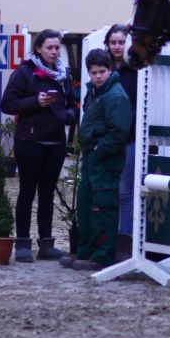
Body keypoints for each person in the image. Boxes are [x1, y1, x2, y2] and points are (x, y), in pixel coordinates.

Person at [0, 29, 77, 262]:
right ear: (38, 49)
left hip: (56, 141)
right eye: (49, 47)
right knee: (27, 192)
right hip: (30, 141)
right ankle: (23, 244)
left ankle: (46, 244)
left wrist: (67, 116)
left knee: (47, 194)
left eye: (56, 48)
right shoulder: (25, 72)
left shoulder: (64, 74)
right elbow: (7, 104)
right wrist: (36, 101)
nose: (54, 52)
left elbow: (72, 104)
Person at [63, 48, 132, 270]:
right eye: (94, 73)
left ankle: (102, 256)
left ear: (110, 70)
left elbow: (119, 133)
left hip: (106, 159)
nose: (98, 76)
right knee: (85, 205)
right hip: (92, 157)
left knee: (103, 208)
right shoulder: (95, 92)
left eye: (102, 71)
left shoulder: (116, 96)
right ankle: (85, 251)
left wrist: (99, 150)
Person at [103, 24, 137, 261]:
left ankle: (125, 244)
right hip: (106, 138)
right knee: (108, 192)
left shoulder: (136, 70)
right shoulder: (102, 68)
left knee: (125, 193)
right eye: (113, 42)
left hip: (129, 137)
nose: (117, 47)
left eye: (121, 42)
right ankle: (106, 241)